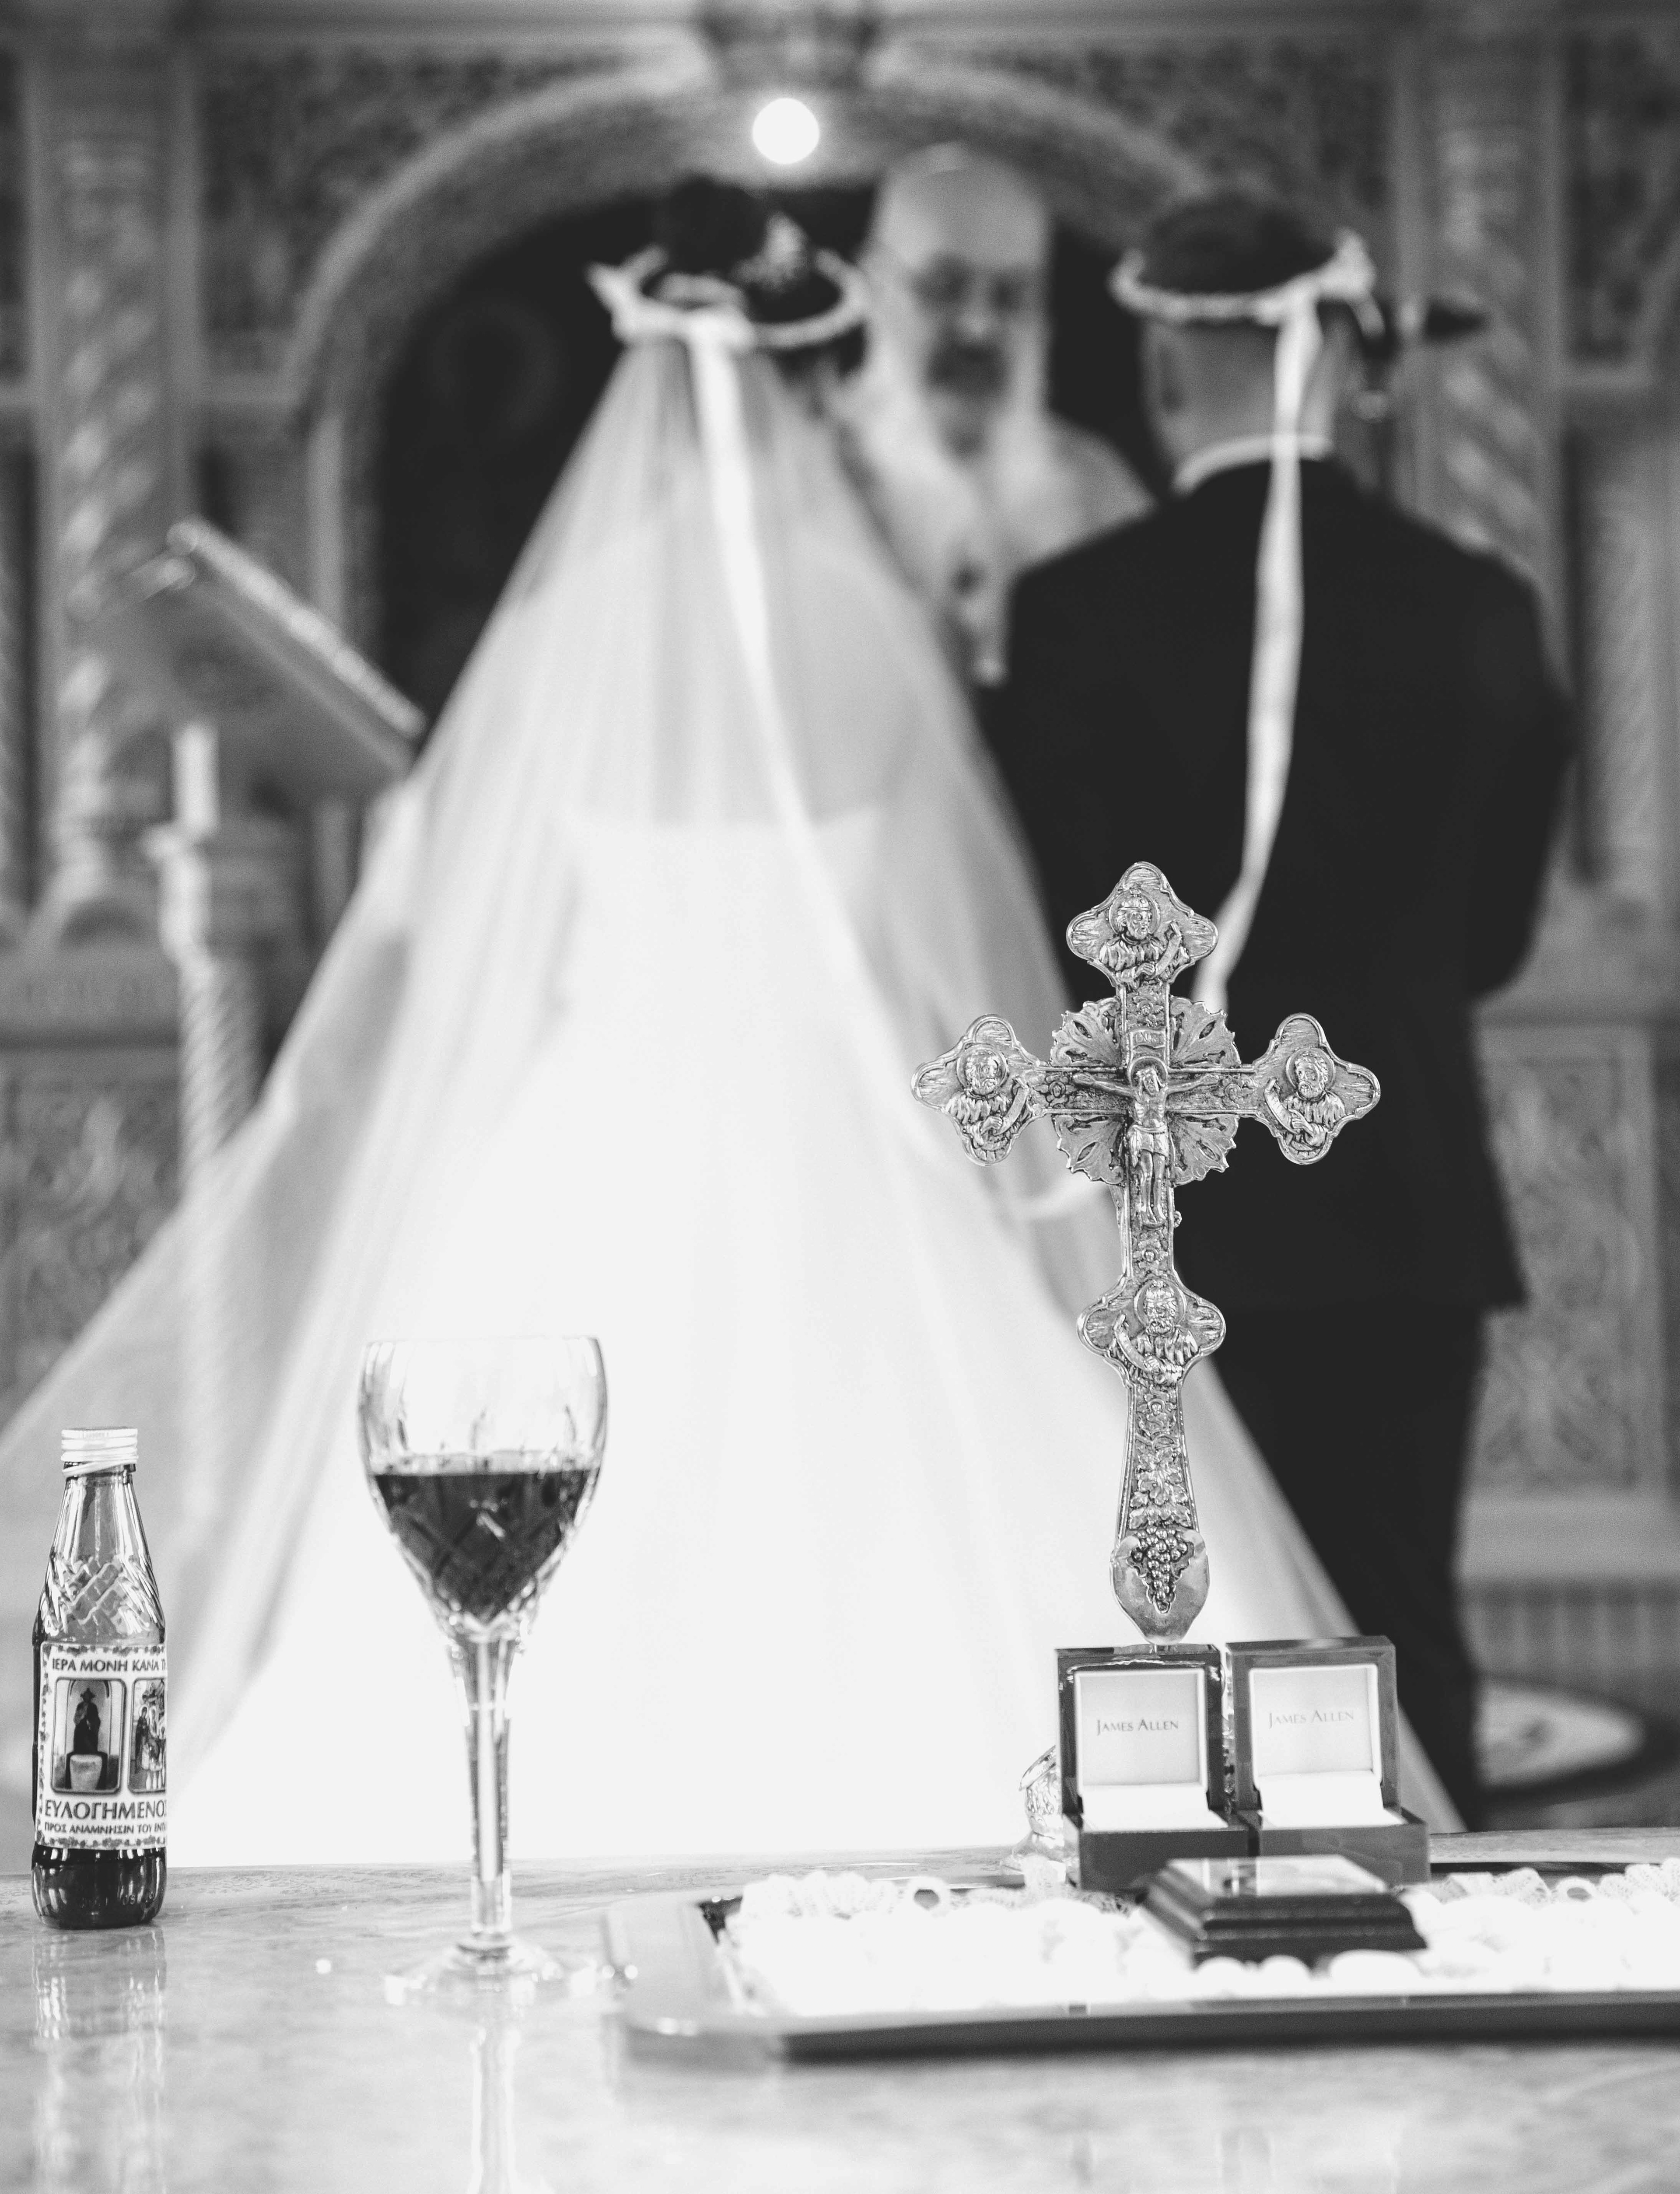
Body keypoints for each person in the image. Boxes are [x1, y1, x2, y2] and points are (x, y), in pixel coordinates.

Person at [0, 177, 1450, 1865]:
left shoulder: (551, 639)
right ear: (819, 381)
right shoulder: (870, 636)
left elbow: (449, 952)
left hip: (587, 1137)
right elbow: (953, 968)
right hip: (851, 1154)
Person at [989, 188, 1575, 1825]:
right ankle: (1437, 1977)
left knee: (1162, 1641)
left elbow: (1052, 931)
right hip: (1398, 1201)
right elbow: (1492, 937)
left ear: (1170, 360)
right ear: (1341, 361)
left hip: (1160, 1224)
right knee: (1392, 1622)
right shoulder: (1480, 604)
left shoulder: (1072, 614)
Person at [838, 146, 1147, 686]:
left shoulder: (1100, 490)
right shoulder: (812, 468)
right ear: (874, 281)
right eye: (944, 288)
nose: (978, 328)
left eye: (1011, 297)